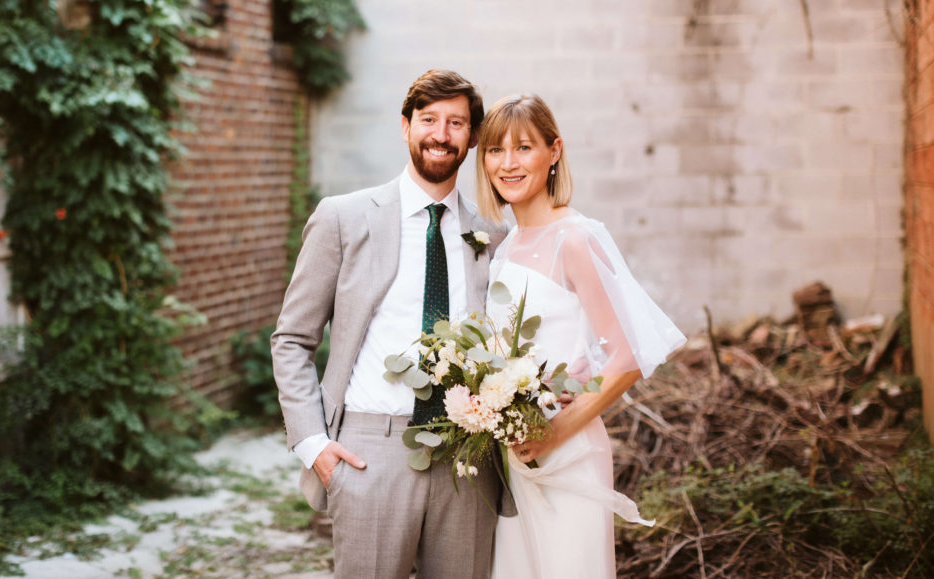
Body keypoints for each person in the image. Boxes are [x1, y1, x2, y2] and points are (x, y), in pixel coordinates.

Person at [270, 69, 509, 579]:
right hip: (368, 452)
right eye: (429, 119)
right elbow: (292, 339)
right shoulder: (343, 218)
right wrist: (313, 445)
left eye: (456, 123)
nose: (441, 134)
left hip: (466, 458)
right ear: (405, 126)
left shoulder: (492, 234)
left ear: (471, 136)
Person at [476, 93, 687, 578]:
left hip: (567, 449)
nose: (507, 163)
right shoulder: (505, 247)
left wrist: (557, 431)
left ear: (554, 151)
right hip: (516, 455)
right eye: (494, 150)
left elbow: (627, 357)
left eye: (523, 148)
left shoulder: (575, 238)